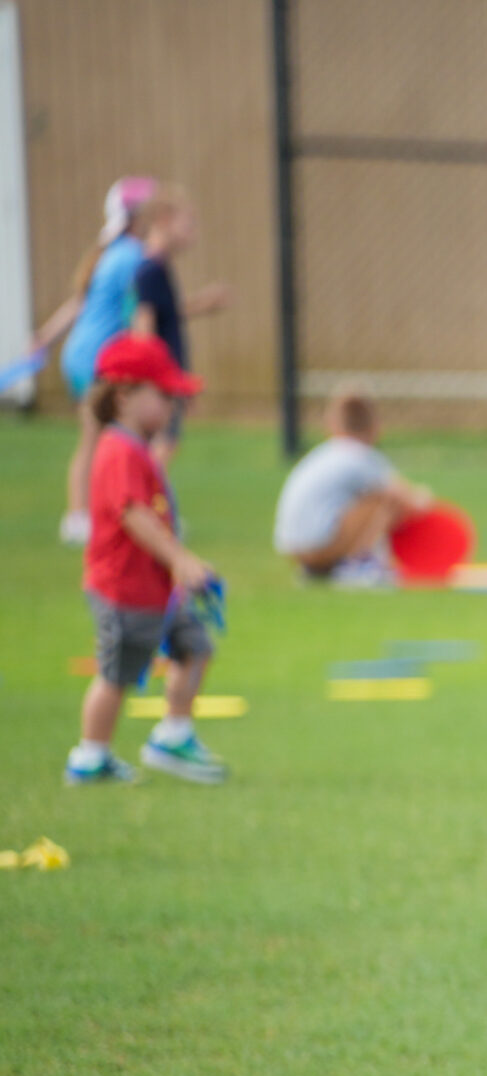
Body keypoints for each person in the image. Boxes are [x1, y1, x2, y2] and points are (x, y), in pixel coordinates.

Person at [65, 333, 225, 788]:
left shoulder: (137, 449)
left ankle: (173, 736)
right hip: (125, 591)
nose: (173, 406)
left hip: (158, 590)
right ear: (124, 395)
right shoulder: (117, 450)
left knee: (196, 647)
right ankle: (90, 757)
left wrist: (177, 568)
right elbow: (133, 515)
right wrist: (181, 559)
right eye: (164, 395)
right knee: (117, 675)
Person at [34, 177, 155, 547]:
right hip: (96, 361)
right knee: (96, 440)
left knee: (102, 439)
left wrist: (42, 340)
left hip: (82, 355)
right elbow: (141, 312)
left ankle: (93, 515)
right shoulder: (134, 255)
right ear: (136, 218)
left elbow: (78, 305)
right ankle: (78, 518)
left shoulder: (109, 253)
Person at [272, 388, 434, 584]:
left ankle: (317, 569)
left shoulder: (323, 454)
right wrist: (425, 499)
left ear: (332, 425)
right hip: (320, 544)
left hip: (292, 548)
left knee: (363, 497)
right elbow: (406, 499)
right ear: (375, 427)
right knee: (384, 501)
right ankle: (357, 564)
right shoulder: (361, 455)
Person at [127, 185, 228, 458]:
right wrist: (156, 381)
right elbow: (144, 329)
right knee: (160, 448)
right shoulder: (150, 270)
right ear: (163, 220)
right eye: (188, 225)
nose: (193, 234)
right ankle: (147, 501)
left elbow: (167, 315)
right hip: (159, 383)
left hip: (166, 380)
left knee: (165, 445)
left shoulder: (158, 268)